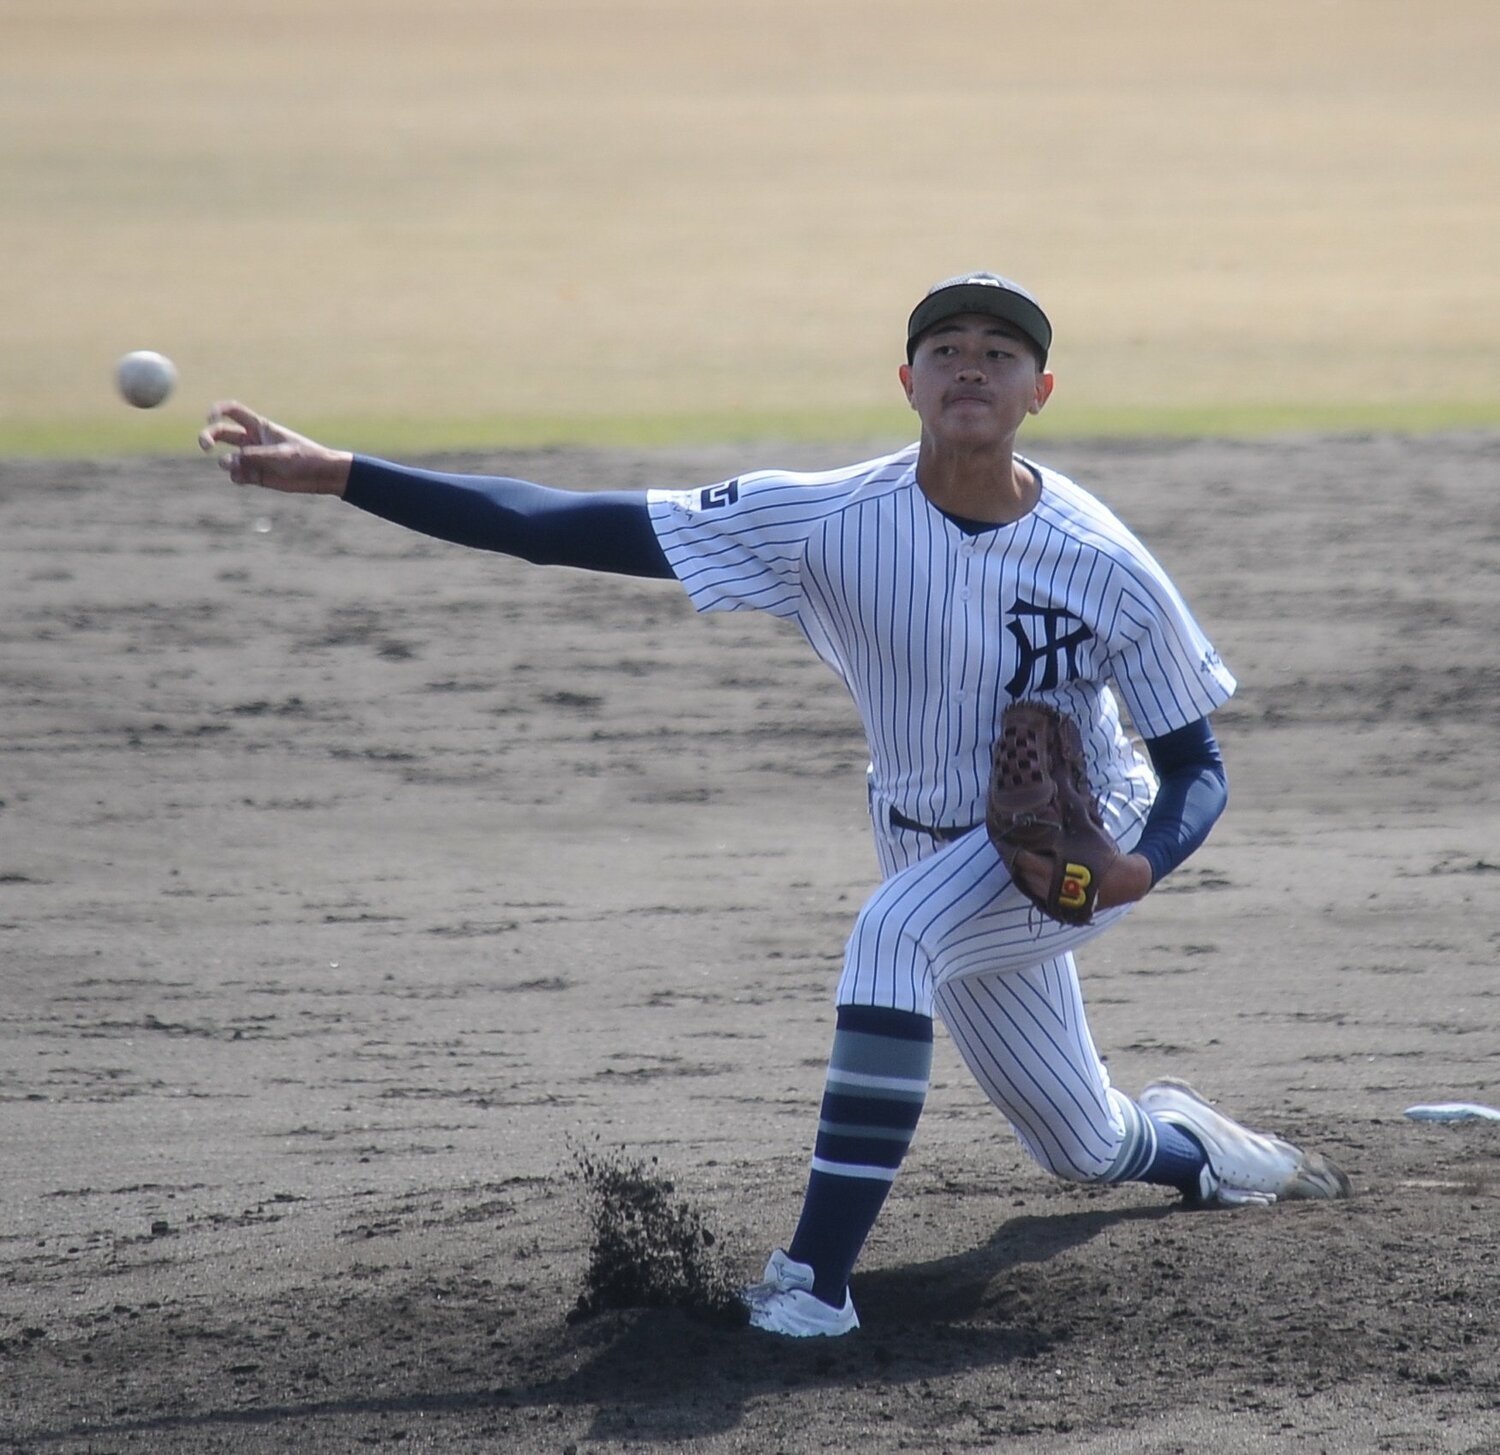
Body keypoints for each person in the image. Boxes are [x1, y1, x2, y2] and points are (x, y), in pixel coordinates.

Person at [198, 270, 1350, 1340]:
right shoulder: (823, 518)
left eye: (1000, 353)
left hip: (1072, 853)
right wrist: (345, 473)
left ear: (1038, 392)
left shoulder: (1103, 562)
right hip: (919, 839)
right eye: (944, 347)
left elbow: (1198, 763)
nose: (969, 366)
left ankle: (814, 1284)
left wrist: (1138, 868)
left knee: (891, 940)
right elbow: (560, 525)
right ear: (905, 382)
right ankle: (1201, 1152)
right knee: (1081, 1141)